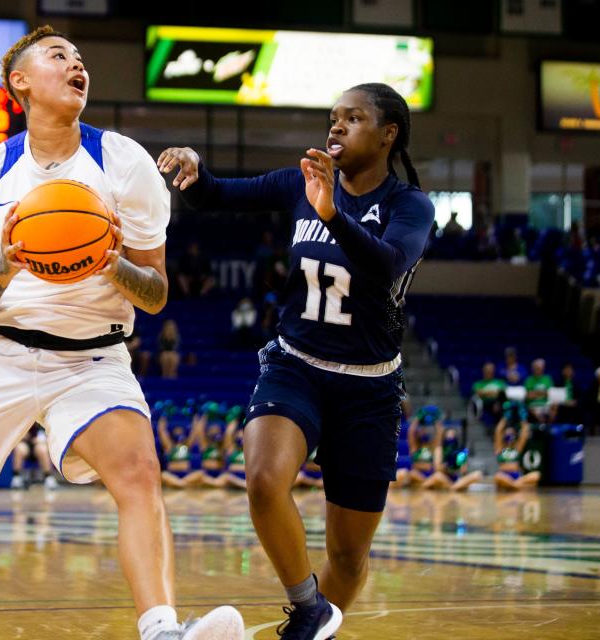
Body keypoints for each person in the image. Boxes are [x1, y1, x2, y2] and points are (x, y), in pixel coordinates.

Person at [0, 26, 243, 640]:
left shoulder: (124, 161)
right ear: (21, 83)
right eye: (59, 56)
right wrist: (5, 268)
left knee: (141, 473)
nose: (76, 64)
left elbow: (159, 294)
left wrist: (111, 262)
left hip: (92, 358)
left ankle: (163, 630)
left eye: (82, 58)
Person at [158, 81, 434, 639]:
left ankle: (308, 632)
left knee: (350, 556)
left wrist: (332, 212)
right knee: (262, 479)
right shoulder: (297, 183)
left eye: (352, 119)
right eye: (332, 117)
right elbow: (216, 195)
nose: (335, 127)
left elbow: (386, 265)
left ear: (388, 135)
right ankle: (306, 606)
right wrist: (194, 167)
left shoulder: (411, 206)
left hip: (369, 390)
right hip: (296, 365)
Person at [493, 406, 540, 491]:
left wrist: (523, 418)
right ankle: (517, 486)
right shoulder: (500, 448)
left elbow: (525, 432)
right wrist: (505, 417)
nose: (509, 435)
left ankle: (513, 485)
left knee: (536, 475)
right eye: (508, 433)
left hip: (516, 476)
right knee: (497, 477)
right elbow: (498, 430)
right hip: (504, 475)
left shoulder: (517, 448)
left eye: (511, 433)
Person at [11, 424, 58, 489]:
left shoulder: (41, 419)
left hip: (38, 445)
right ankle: (16, 477)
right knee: (18, 448)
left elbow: (47, 435)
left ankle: (48, 477)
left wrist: (41, 439)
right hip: (25, 444)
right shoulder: (22, 418)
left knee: (43, 450)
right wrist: (22, 436)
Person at [435, 427, 481, 492]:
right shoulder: (439, 450)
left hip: (456, 479)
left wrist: (461, 464)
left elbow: (463, 471)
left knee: (478, 474)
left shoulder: (460, 452)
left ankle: (452, 488)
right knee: (437, 476)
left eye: (453, 435)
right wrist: (447, 465)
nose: (451, 437)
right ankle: (455, 487)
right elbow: (437, 469)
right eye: (449, 435)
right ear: (444, 437)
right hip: (444, 478)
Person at [471, 361, 506, 427]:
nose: (489, 371)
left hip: (498, 405)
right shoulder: (478, 383)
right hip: (484, 405)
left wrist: (486, 392)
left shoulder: (500, 382)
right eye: (487, 370)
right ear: (483, 371)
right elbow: (479, 393)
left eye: (491, 369)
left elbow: (503, 393)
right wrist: (495, 392)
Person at [523, 358, 553, 422]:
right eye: (536, 368)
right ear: (533, 368)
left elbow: (550, 394)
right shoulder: (529, 380)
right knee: (533, 410)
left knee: (554, 407)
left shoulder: (547, 379)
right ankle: (543, 425)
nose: (538, 370)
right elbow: (528, 395)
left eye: (539, 368)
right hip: (533, 405)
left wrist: (535, 393)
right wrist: (543, 393)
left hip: (546, 404)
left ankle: (551, 426)